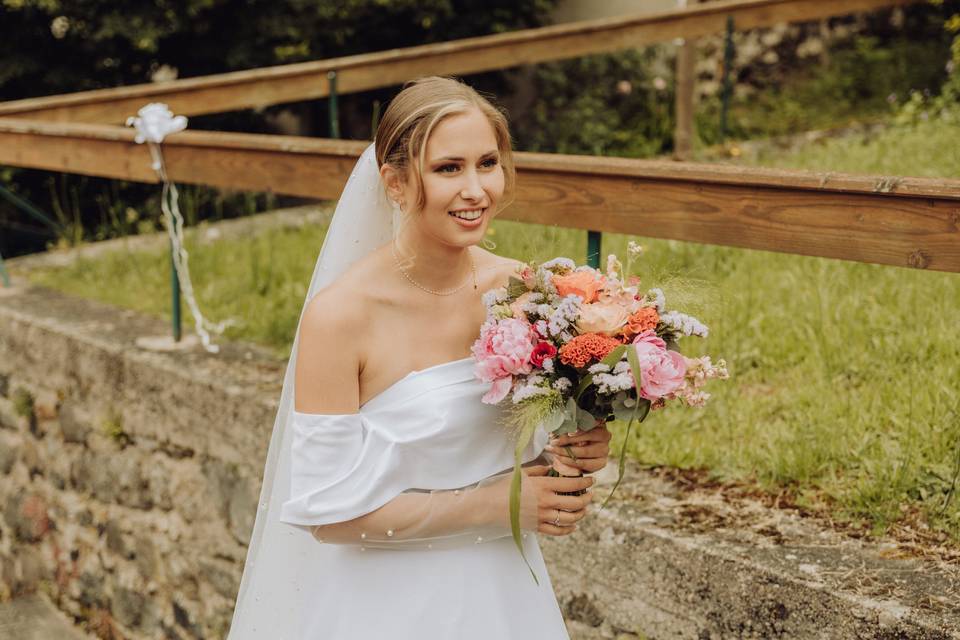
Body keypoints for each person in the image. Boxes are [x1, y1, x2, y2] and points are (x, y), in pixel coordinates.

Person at [228, 76, 612, 639]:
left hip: (505, 596)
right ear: (397, 182)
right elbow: (328, 515)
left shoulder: (524, 293)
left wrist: (578, 445)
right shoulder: (341, 318)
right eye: (448, 168)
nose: (476, 189)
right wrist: (502, 506)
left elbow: (524, 454)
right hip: (388, 607)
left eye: (487, 162)